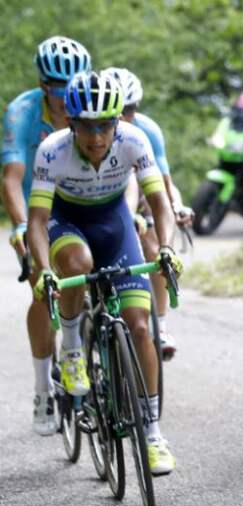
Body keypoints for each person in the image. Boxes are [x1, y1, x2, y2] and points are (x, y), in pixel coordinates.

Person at [27, 71, 181, 475]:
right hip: (67, 222)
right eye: (86, 126)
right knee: (78, 265)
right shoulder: (51, 151)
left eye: (105, 125)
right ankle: (74, 346)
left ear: (119, 122)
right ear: (70, 123)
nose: (96, 136)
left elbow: (159, 204)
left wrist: (165, 247)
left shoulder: (134, 140)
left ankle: (152, 433)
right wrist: (44, 269)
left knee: (141, 326)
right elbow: (39, 221)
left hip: (114, 223)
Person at [2, 36, 91, 435]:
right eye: (55, 89)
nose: (63, 97)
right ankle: (42, 386)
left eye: (68, 87)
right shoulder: (22, 112)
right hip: (38, 207)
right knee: (44, 287)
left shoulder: (91, 102)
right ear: (42, 86)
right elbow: (12, 178)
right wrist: (21, 225)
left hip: (85, 201)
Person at [102, 66, 191, 360]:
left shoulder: (146, 130)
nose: (125, 117)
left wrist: (175, 207)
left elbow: (164, 184)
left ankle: (161, 325)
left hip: (141, 193)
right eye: (119, 110)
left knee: (154, 246)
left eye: (130, 109)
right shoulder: (95, 130)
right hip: (103, 197)